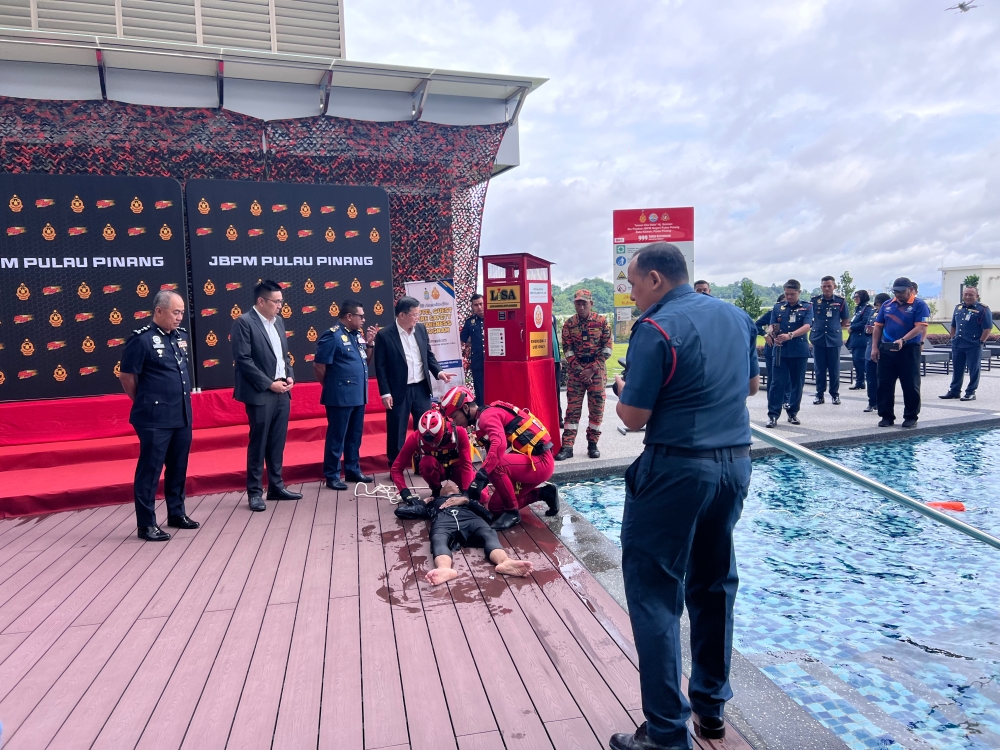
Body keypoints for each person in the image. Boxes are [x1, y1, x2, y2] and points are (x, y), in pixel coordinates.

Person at [610, 242, 758, 750]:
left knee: (655, 598)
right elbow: (752, 387)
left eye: (631, 284)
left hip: (676, 469)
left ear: (655, 278)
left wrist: (624, 389)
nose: (631, 295)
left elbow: (633, 418)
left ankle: (668, 735)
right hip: (735, 465)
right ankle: (711, 710)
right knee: (715, 585)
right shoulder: (738, 318)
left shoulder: (655, 329)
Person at [119, 290, 200, 541]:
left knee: (178, 467)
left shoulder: (180, 337)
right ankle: (146, 524)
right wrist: (145, 401)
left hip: (181, 415)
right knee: (150, 470)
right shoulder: (141, 340)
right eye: (175, 312)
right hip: (154, 419)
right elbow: (127, 377)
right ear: (159, 311)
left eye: (182, 313)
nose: (179, 318)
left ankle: (176, 513)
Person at [440, 385, 559, 530]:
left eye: (454, 416)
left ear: (465, 408)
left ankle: (513, 513)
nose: (454, 422)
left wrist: (480, 477)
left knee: (496, 465)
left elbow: (499, 446)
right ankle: (545, 494)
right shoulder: (481, 421)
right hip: (528, 463)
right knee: (495, 508)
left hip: (541, 463)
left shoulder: (486, 417)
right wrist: (471, 492)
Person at [231, 280, 303, 512]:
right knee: (259, 442)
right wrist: (268, 384)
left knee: (277, 441)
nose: (280, 305)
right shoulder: (244, 322)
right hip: (261, 392)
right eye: (276, 301)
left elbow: (283, 354)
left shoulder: (278, 322)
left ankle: (276, 486)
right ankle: (254, 492)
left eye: (281, 301)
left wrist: (289, 375)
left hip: (283, 389)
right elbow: (243, 360)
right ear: (261, 301)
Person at [400, 480, 533, 586]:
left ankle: (505, 561)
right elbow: (401, 512)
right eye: (445, 486)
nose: (449, 484)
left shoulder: (467, 499)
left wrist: (467, 501)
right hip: (443, 521)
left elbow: (487, 516)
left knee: (488, 532)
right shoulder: (433, 502)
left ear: (459, 490)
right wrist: (422, 503)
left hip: (470, 520)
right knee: (438, 539)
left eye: (454, 485)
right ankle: (444, 569)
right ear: (440, 493)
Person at [373, 296, 455, 465]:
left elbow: (428, 355)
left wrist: (439, 373)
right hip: (398, 390)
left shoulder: (421, 329)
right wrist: (385, 393)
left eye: (418, 314)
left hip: (421, 388)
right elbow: (380, 367)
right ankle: (396, 465)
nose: (417, 318)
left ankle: (427, 461)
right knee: (397, 429)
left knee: (426, 426)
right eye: (414, 314)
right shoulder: (384, 335)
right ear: (402, 315)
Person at [314, 299, 377, 491]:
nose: (363, 319)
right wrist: (331, 386)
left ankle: (352, 469)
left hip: (358, 394)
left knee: (354, 435)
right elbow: (319, 365)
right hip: (339, 396)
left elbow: (365, 361)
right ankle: (332, 474)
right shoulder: (332, 336)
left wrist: (370, 343)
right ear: (349, 316)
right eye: (361, 316)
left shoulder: (357, 335)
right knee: (337, 436)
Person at [555, 289, 612, 460]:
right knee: (572, 410)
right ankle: (567, 446)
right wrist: (581, 370)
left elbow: (607, 348)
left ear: (591, 304)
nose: (581, 306)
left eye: (584, 303)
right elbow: (567, 349)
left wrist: (592, 368)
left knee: (596, 409)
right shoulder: (569, 324)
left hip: (597, 371)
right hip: (577, 372)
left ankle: (592, 444)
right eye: (578, 303)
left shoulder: (602, 322)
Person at [390, 409, 487, 505]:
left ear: (443, 431)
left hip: (458, 470)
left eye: (435, 441)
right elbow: (396, 468)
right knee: (426, 463)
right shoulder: (416, 437)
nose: (432, 444)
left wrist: (466, 493)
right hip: (436, 470)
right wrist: (405, 494)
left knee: (481, 497)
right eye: (428, 441)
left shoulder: (458, 432)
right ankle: (436, 490)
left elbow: (466, 465)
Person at [871, 277, 930, 428]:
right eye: (895, 292)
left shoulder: (919, 305)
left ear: (910, 289)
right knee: (884, 383)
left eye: (902, 292)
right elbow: (878, 327)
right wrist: (874, 347)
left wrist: (903, 340)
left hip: (909, 349)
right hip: (887, 349)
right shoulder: (887, 305)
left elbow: (920, 327)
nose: (898, 295)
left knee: (910, 384)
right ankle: (886, 416)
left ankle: (910, 416)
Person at [764, 280, 813, 428]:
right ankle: (773, 415)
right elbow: (771, 325)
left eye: (792, 294)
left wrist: (790, 335)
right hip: (780, 351)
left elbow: (807, 326)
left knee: (797, 384)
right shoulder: (778, 307)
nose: (789, 297)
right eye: (787, 294)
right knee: (776, 384)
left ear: (799, 292)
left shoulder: (807, 307)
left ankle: (792, 413)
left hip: (799, 351)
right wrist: (773, 334)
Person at [941, 286, 993, 402]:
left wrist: (981, 342)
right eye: (966, 294)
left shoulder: (983, 309)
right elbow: (953, 325)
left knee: (974, 369)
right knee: (957, 368)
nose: (968, 297)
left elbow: (987, 328)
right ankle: (954, 391)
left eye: (971, 295)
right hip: (958, 344)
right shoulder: (958, 308)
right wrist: (953, 338)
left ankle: (971, 392)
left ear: (977, 296)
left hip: (973, 345)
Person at [809, 276, 849, 405]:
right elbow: (809, 318)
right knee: (819, 368)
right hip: (818, 338)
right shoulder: (814, 301)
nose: (826, 288)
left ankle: (835, 394)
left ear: (834, 287)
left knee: (834, 368)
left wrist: (835, 328)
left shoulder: (840, 301)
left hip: (833, 338)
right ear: (821, 287)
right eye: (824, 286)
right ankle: (819, 394)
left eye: (829, 286)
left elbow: (845, 321)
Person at [864, 293, 891, 412]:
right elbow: (867, 328)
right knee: (870, 378)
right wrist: (868, 330)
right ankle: (872, 401)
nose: (877, 307)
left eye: (879, 305)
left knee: (883, 379)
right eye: (876, 305)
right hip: (870, 349)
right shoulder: (873, 313)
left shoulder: (890, 313)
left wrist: (876, 330)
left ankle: (882, 403)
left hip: (883, 349)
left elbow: (890, 330)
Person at [460, 293, 486, 407]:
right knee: (480, 389)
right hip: (478, 361)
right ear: (472, 307)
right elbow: (462, 339)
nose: (479, 307)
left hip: (494, 360)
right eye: (476, 305)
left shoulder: (495, 318)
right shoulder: (470, 322)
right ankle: (481, 412)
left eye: (481, 304)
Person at [847, 290, 874, 391]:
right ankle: (860, 382)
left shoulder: (867, 308)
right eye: (854, 297)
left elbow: (865, 322)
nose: (855, 299)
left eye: (857, 297)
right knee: (856, 360)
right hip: (855, 339)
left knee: (859, 360)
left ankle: (870, 378)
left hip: (862, 338)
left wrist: (852, 327)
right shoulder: (858, 308)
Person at [552, 312, 563, 428]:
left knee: (557, 390)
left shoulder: (553, 317)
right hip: (547, 360)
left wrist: (559, 359)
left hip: (555, 360)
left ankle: (558, 418)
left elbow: (555, 341)